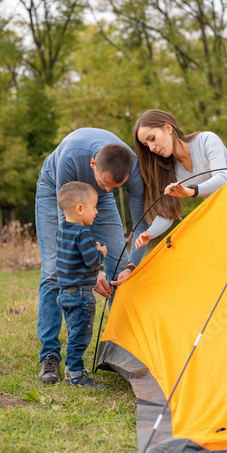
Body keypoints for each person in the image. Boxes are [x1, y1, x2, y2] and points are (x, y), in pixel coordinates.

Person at [36, 128, 148, 384]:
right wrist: (90, 271)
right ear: (93, 163)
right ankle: (50, 356)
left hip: (95, 197)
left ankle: (127, 348)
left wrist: (131, 265)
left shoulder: (128, 174)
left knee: (119, 262)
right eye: (105, 183)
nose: (110, 189)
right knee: (55, 271)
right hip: (57, 191)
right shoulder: (73, 157)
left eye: (114, 187)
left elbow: (142, 223)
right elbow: (69, 228)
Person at [133, 109, 227, 250]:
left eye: (152, 138)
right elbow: (167, 212)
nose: (152, 148)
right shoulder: (173, 171)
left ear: (168, 128)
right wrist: (150, 233)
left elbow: (221, 179)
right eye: (147, 145)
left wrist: (191, 191)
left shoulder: (206, 140)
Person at [56, 182, 107, 390]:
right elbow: (92, 261)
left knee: (73, 332)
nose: (96, 211)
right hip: (81, 295)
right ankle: (76, 377)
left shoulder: (62, 229)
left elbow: (75, 256)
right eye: (94, 206)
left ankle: (71, 369)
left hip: (65, 294)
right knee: (80, 337)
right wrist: (101, 251)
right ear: (79, 209)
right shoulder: (83, 232)